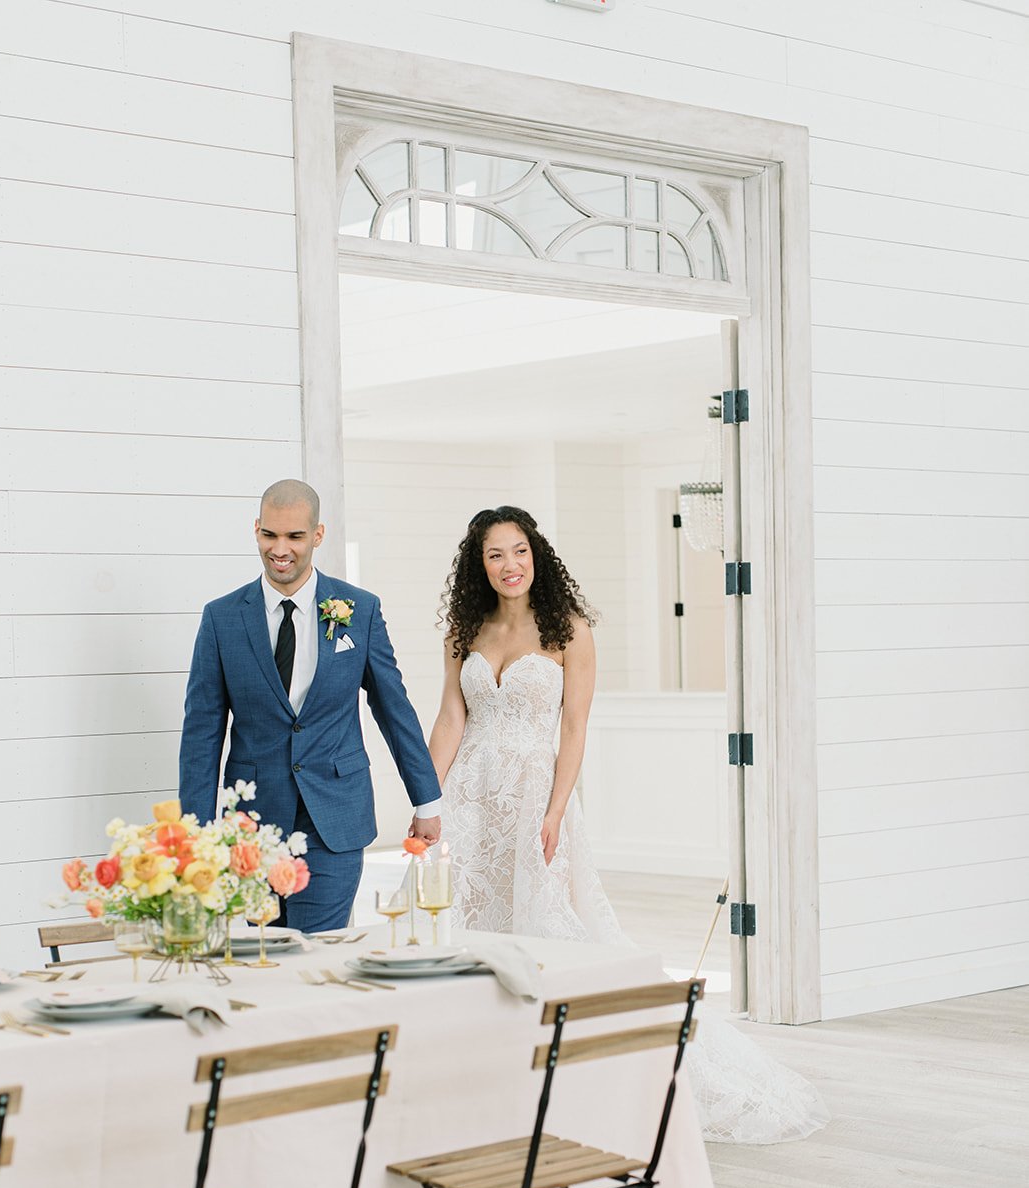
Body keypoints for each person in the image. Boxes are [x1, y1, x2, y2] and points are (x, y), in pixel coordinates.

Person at [428, 505, 828, 1145]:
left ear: (538, 555)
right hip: (470, 802)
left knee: (555, 933)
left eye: (521, 551)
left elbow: (574, 726)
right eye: (496, 554)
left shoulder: (568, 629)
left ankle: (588, 1071)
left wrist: (556, 809)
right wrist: (428, 802)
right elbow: (451, 718)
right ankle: (496, 1077)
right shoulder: (463, 629)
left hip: (536, 798)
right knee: (475, 931)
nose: (511, 565)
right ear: (479, 565)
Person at [179, 479, 441, 933]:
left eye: (295, 536)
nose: (281, 549)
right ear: (256, 530)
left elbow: (393, 708)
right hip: (253, 825)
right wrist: (195, 833)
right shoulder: (221, 618)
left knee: (319, 948)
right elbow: (202, 732)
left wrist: (426, 800)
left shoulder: (359, 609)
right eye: (270, 535)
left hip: (335, 816)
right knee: (266, 952)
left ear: (317, 535)